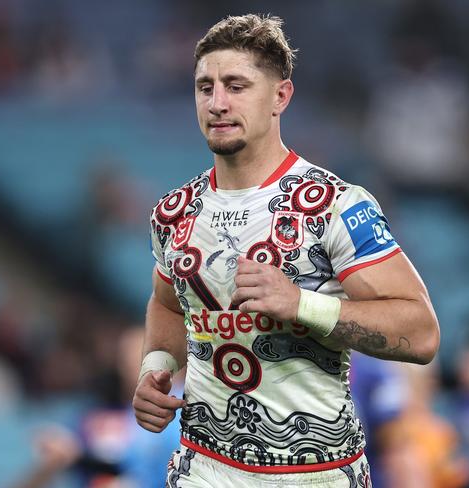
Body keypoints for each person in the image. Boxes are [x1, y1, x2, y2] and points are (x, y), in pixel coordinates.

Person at [132, 14, 440, 487]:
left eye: (236, 86)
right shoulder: (174, 214)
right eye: (204, 87)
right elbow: (168, 303)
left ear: (280, 96)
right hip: (204, 470)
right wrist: (157, 368)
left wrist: (300, 303)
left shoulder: (335, 205)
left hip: (317, 474)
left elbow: (421, 334)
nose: (217, 103)